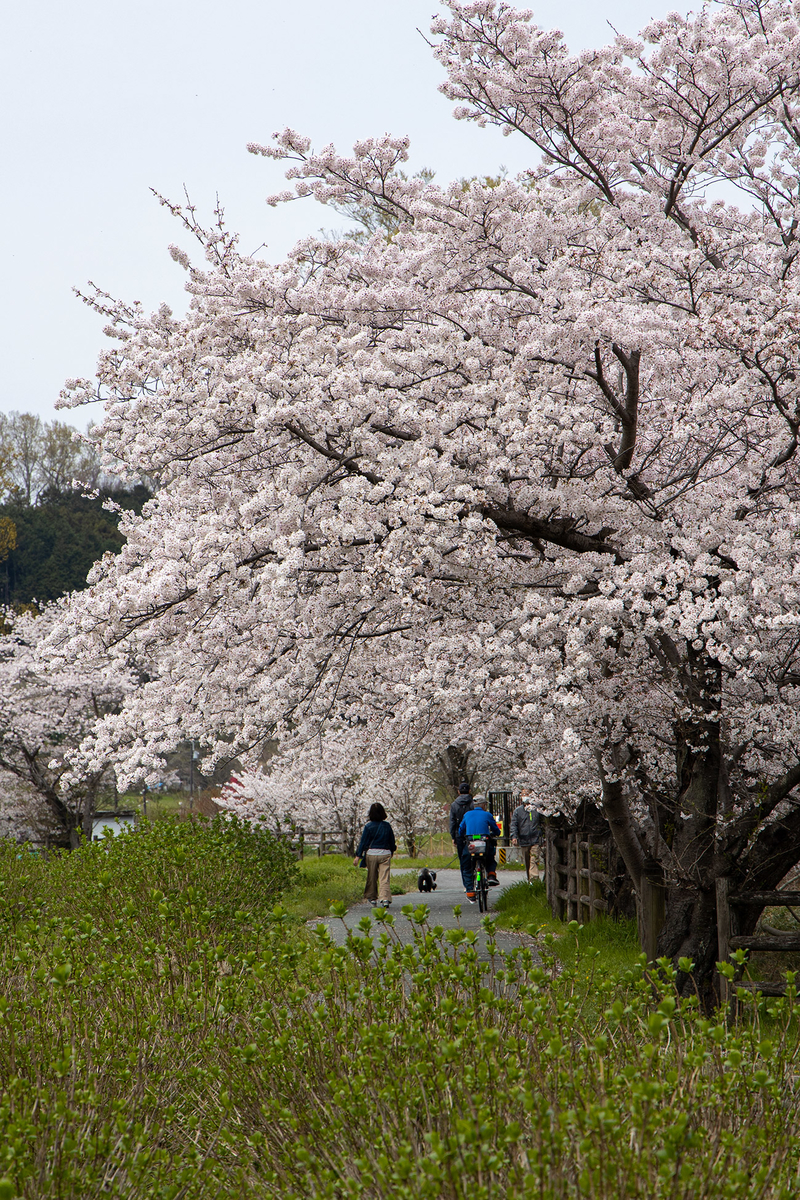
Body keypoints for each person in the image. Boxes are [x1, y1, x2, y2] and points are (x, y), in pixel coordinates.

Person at [353, 802, 397, 907]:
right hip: (385, 853)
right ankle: (385, 898)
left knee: (372, 876)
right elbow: (392, 841)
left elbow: (363, 842)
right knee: (384, 877)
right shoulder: (387, 826)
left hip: (371, 854)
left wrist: (358, 856)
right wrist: (392, 851)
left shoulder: (368, 827)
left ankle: (372, 897)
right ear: (383, 813)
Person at [458, 797, 501, 902]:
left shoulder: (467, 815)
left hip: (470, 843)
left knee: (467, 866)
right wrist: (494, 833)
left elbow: (460, 830)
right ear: (483, 805)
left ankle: (470, 891)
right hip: (484, 843)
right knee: (490, 858)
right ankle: (491, 875)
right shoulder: (487, 815)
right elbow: (496, 830)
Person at [510, 791, 543, 883]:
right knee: (528, 862)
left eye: (527, 794)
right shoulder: (518, 811)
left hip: (535, 839)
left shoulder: (536, 809)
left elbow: (542, 823)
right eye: (523, 794)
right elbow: (514, 825)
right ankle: (530, 881)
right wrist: (514, 836)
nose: (525, 796)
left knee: (534, 860)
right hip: (524, 840)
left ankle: (534, 880)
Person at [450, 782, 475, 894]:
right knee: (475, 856)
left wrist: (453, 836)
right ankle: (476, 879)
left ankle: (467, 885)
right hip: (473, 834)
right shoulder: (474, 803)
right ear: (469, 791)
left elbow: (452, 822)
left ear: (459, 792)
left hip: (460, 835)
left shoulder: (454, 805)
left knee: (463, 861)